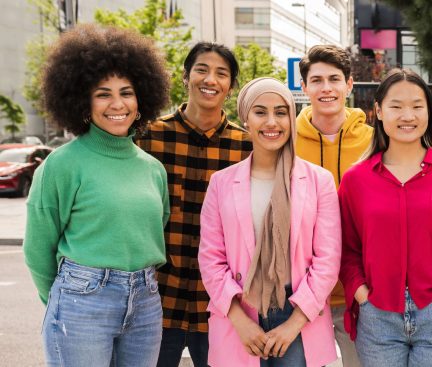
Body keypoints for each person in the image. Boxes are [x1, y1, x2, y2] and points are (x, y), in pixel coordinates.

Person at [24, 24, 170, 366]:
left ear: (141, 98)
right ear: (82, 100)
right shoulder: (62, 164)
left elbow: (153, 228)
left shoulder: (153, 169)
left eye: (127, 92)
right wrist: (63, 301)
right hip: (82, 301)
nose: (117, 104)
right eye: (103, 94)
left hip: (146, 301)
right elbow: (37, 249)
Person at [339, 68, 432, 367]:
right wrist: (363, 295)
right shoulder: (356, 179)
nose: (408, 116)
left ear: (428, 111)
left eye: (417, 106)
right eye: (396, 106)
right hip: (377, 316)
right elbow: (346, 248)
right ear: (379, 111)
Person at [198, 77, 342, 367]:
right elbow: (210, 259)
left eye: (281, 112)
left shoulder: (319, 181)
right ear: (246, 119)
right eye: (260, 112)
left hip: (300, 314)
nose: (272, 122)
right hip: (240, 311)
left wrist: (293, 324)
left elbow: (328, 260)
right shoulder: (221, 183)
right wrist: (239, 320)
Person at [136, 41, 252, 367]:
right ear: (186, 77)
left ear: (231, 86)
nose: (210, 80)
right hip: (157, 299)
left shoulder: (247, 147)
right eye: (202, 70)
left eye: (221, 73)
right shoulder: (148, 137)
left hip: (220, 303)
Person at [295, 44, 374, 367]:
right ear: (304, 87)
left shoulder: (375, 142)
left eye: (334, 79)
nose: (326, 88)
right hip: (301, 292)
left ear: (349, 84)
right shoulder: (287, 142)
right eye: (316, 80)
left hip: (360, 291)